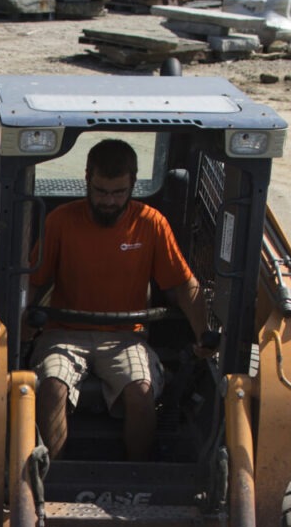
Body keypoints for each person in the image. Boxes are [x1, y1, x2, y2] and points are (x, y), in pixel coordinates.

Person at [28, 139, 207, 462]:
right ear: (87, 179)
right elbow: (33, 282)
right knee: (52, 386)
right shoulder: (60, 221)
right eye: (100, 191)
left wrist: (204, 335)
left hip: (126, 337)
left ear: (132, 185)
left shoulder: (151, 223)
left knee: (140, 389)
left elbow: (183, 285)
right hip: (64, 333)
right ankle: (50, 481)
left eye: (118, 192)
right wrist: (20, 327)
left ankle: (136, 474)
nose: (108, 201)